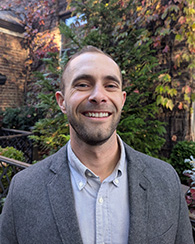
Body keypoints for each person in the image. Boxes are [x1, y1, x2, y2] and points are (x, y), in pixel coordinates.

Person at [0, 46, 193, 244]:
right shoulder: (23, 189)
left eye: (110, 85)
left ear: (122, 99)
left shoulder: (165, 180)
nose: (98, 96)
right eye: (83, 84)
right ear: (62, 101)